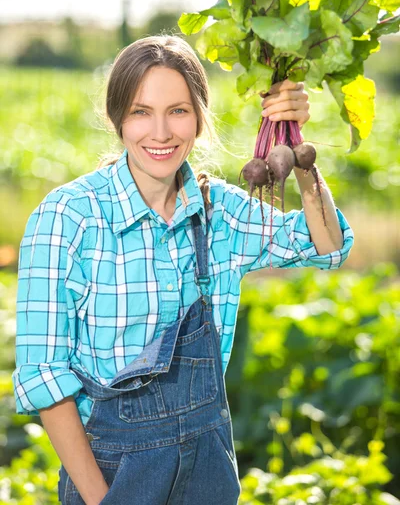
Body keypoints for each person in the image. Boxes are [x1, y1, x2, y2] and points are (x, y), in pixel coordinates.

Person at [12, 35, 354, 505]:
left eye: (177, 110)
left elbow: (327, 246)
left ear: (198, 118)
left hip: (208, 473)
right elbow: (44, 376)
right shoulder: (69, 217)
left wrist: (296, 148)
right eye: (140, 112)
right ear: (117, 120)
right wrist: (101, 500)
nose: (161, 132)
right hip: (112, 480)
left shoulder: (222, 214)